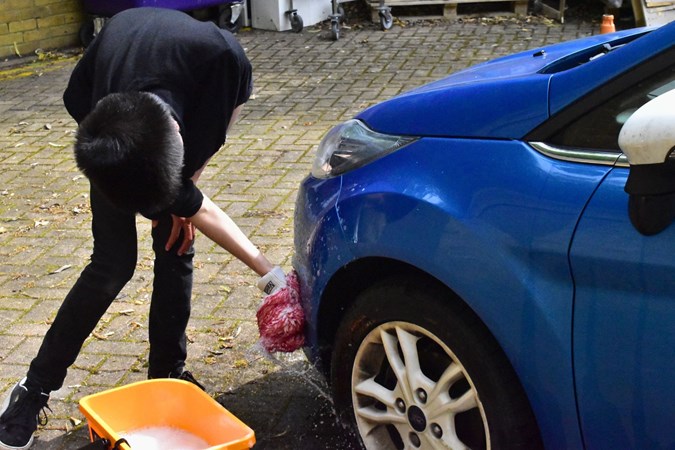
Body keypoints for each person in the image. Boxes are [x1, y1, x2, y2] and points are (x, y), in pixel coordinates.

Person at [0, 8, 291, 449]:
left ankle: (168, 376)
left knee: (177, 243)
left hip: (190, 113)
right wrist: (120, 167)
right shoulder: (102, 101)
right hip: (122, 139)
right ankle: (34, 387)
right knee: (112, 265)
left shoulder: (223, 61)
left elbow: (205, 199)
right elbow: (76, 102)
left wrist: (273, 277)